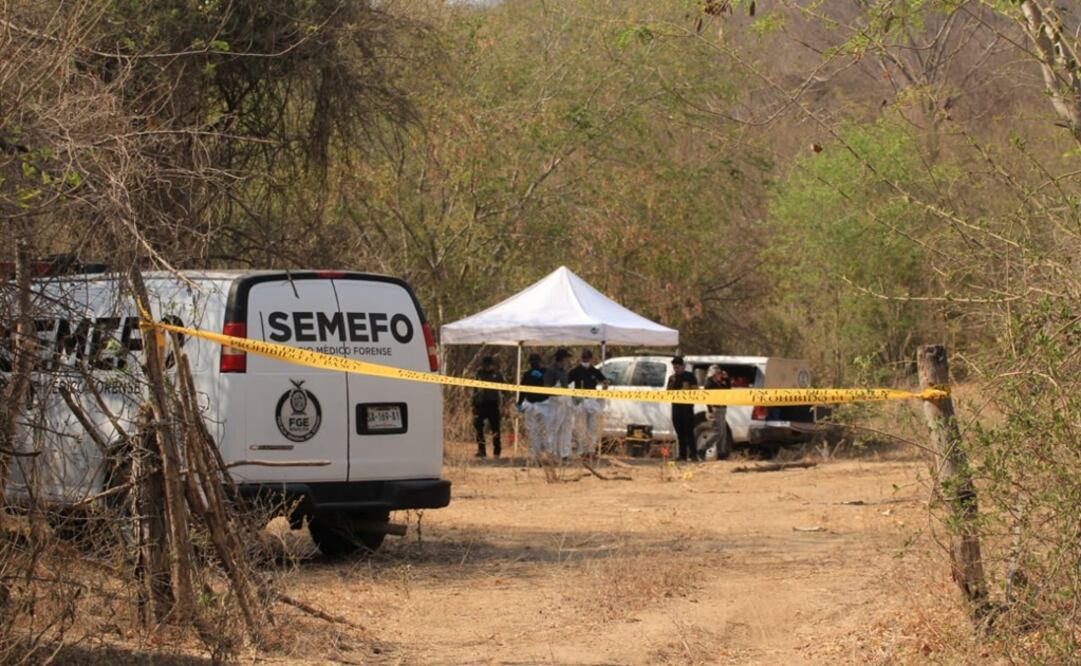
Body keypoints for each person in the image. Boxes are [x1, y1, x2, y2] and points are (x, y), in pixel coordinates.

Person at [568, 348, 608, 460]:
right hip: (580, 401)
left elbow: (604, 381)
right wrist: (572, 396)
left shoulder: (595, 371)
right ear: (582, 358)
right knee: (580, 427)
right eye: (584, 358)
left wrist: (604, 388)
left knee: (593, 427)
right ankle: (581, 451)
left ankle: (590, 451)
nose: (586, 360)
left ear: (591, 359)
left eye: (587, 358)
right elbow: (566, 383)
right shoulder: (575, 371)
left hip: (592, 400)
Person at [471, 356, 506, 458]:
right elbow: (474, 390)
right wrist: (473, 404)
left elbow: (504, 390)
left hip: (493, 404)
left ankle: (497, 452)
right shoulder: (478, 374)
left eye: (488, 365)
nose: (486, 367)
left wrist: (504, 405)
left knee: (496, 429)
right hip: (480, 405)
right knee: (478, 427)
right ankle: (481, 451)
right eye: (484, 365)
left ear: (492, 365)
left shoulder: (497, 375)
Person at [543, 348, 573, 460]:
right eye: (566, 358)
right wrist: (556, 391)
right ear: (562, 358)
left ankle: (563, 453)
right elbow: (546, 388)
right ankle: (551, 452)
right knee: (553, 428)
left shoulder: (564, 371)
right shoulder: (551, 371)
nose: (567, 361)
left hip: (565, 402)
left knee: (565, 428)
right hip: (555, 402)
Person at [517, 352, 549, 457]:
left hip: (544, 404)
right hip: (530, 404)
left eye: (536, 361)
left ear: (539, 362)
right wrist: (519, 403)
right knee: (532, 431)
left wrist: (542, 377)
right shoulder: (527, 374)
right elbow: (522, 390)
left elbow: (550, 383)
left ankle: (546, 451)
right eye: (532, 361)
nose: (534, 363)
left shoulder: (545, 372)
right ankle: (534, 455)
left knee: (544, 430)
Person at [666, 356, 698, 462]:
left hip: (687, 408)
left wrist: (687, 389)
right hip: (676, 407)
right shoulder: (672, 378)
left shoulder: (690, 376)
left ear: (683, 366)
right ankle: (682, 455)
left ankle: (693, 454)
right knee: (680, 432)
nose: (676, 369)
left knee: (689, 432)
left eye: (678, 367)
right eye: (674, 367)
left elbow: (696, 391)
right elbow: (668, 393)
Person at [704, 364, 732, 460]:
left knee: (723, 433)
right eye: (718, 373)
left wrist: (727, 379)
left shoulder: (720, 383)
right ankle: (704, 447)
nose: (720, 375)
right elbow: (706, 398)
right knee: (718, 433)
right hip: (715, 409)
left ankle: (721, 453)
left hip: (722, 409)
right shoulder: (709, 384)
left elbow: (728, 389)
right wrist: (710, 411)